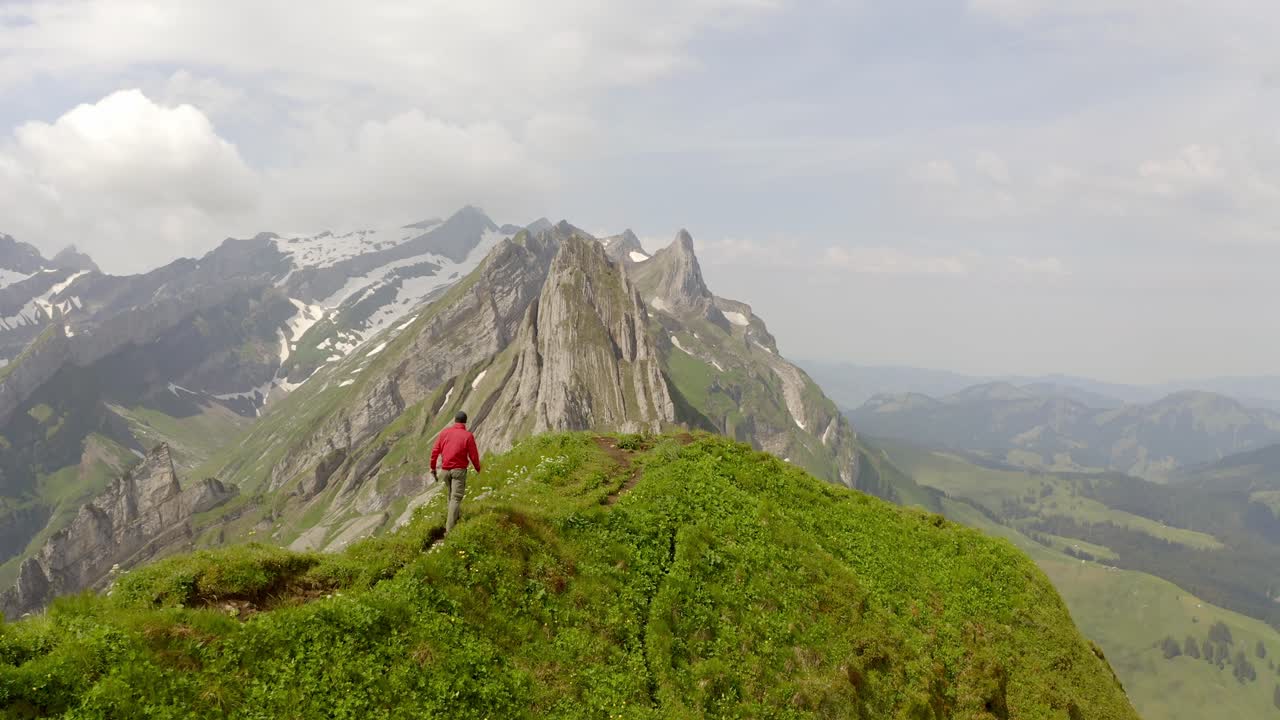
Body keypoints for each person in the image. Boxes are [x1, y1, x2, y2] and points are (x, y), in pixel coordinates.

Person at [430, 411, 482, 533]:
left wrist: (432, 468)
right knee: (456, 498)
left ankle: (454, 518)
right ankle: (450, 530)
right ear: (465, 422)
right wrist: (478, 468)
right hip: (459, 471)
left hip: (445, 470)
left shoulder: (444, 433)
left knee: (451, 495)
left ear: (455, 420)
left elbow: (435, 451)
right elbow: (473, 455)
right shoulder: (467, 436)